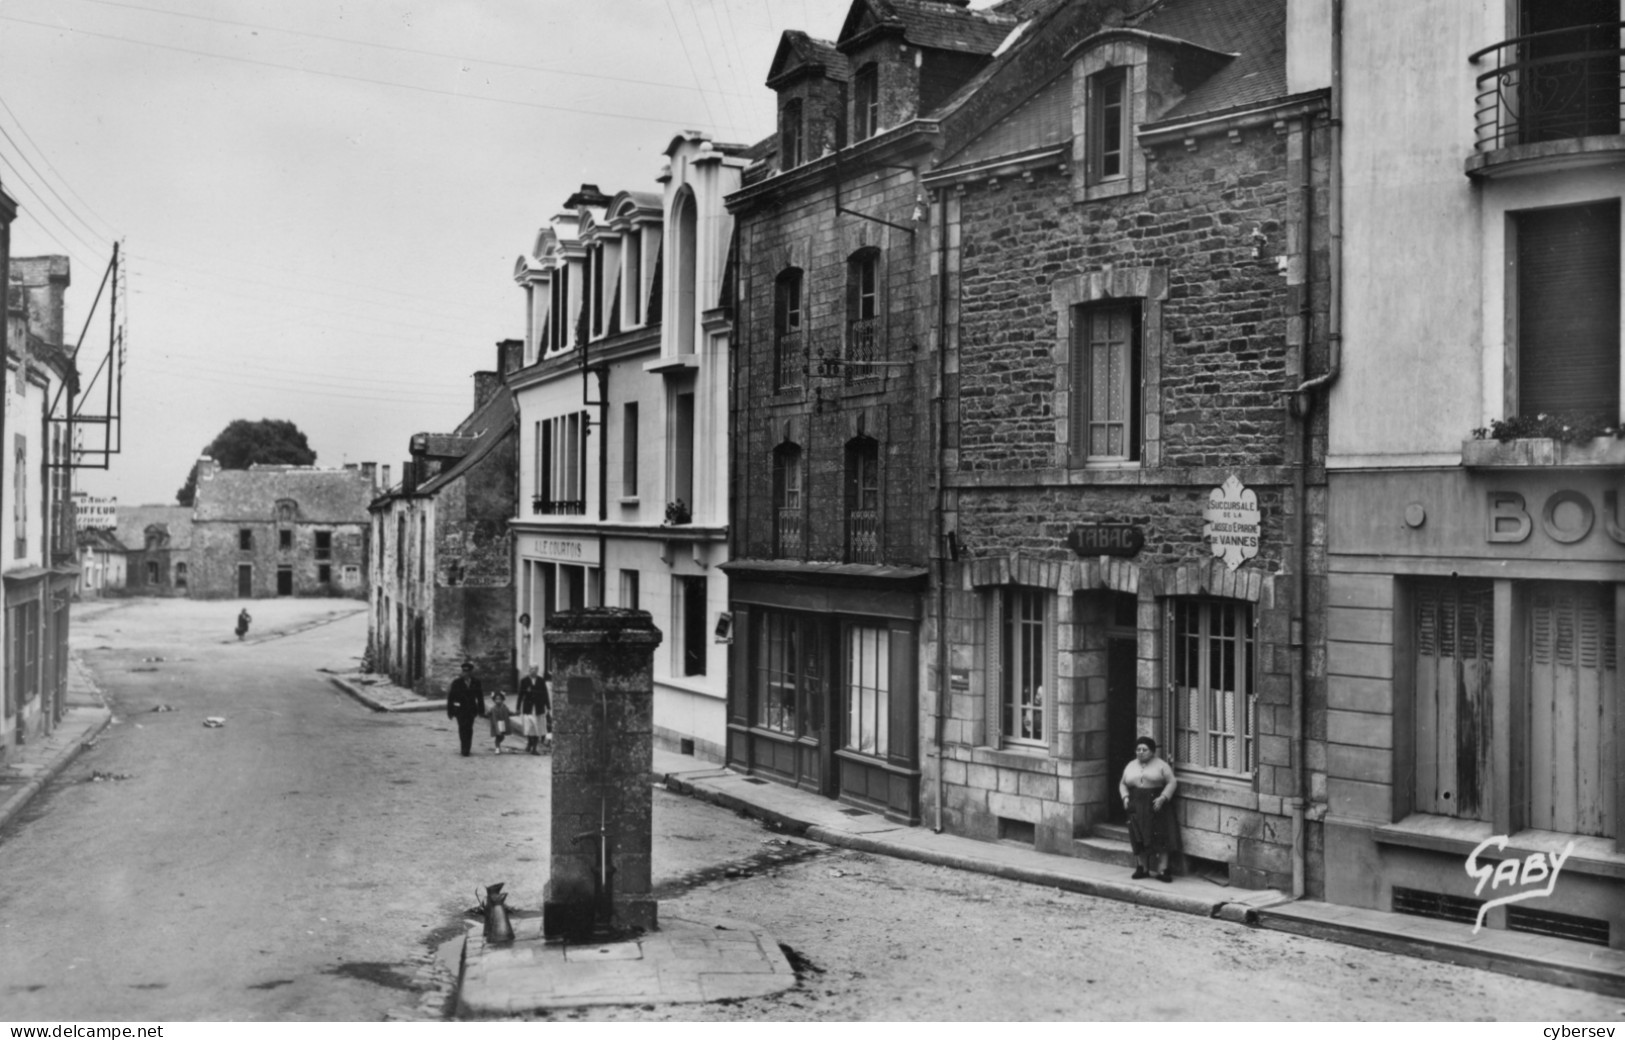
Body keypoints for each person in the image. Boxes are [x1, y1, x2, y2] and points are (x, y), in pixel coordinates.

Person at [1119, 735, 1178, 882]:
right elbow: (1123, 784)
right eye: (1138, 749)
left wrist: (1163, 797)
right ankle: (1142, 868)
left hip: (1155, 804)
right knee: (1138, 835)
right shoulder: (1130, 765)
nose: (1140, 752)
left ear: (1152, 751)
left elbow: (1172, 782)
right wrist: (1125, 797)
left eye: (1144, 749)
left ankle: (1163, 869)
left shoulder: (1162, 765)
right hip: (1136, 804)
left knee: (1161, 836)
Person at [446, 662, 486, 757]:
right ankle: (464, 748)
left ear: (471, 672)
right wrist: (450, 711)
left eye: (467, 672)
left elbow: (480, 697)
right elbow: (451, 698)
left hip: (471, 709)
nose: (465, 674)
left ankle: (467, 747)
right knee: (462, 728)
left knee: (469, 728)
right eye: (464, 672)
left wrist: (481, 710)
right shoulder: (456, 682)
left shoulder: (476, 682)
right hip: (460, 710)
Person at [516, 665, 550, 755]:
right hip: (528, 708)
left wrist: (548, 706)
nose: (533, 671)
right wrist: (518, 707)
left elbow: (545, 694)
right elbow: (520, 695)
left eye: (535, 669)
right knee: (528, 727)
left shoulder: (541, 680)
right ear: (529, 670)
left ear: (537, 670)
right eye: (531, 669)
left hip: (539, 708)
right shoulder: (524, 681)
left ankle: (534, 748)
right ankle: (529, 742)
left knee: (537, 727)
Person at [488, 691, 513, 755]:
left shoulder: (504, 707)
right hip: (496, 724)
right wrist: (486, 714)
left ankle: (498, 746)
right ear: (494, 700)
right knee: (498, 736)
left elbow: (509, 713)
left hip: (503, 724)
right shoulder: (493, 708)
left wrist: (515, 713)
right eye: (496, 699)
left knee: (502, 736)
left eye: (499, 699)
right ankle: (497, 748)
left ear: (502, 700)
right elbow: (489, 713)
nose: (498, 701)